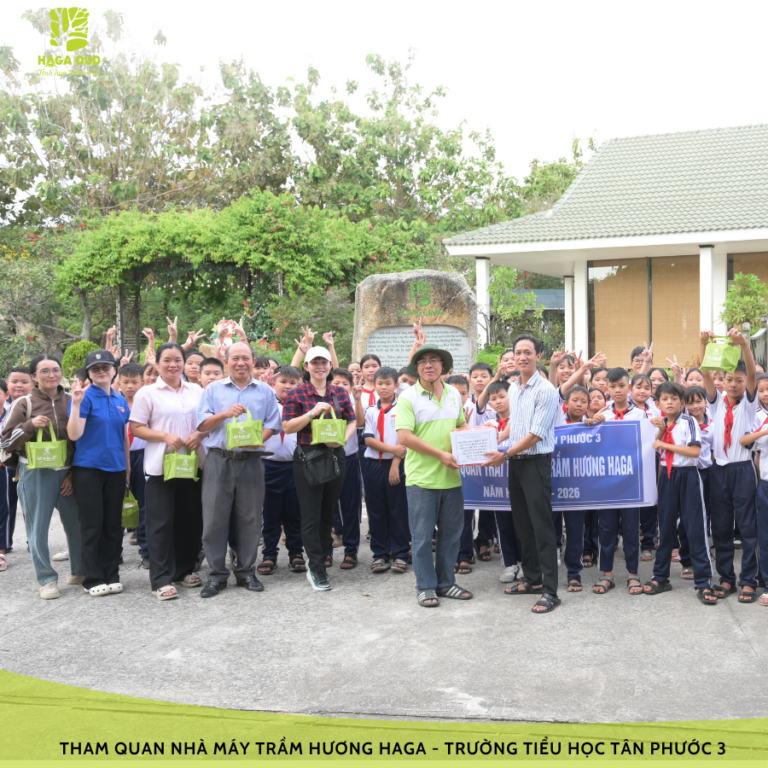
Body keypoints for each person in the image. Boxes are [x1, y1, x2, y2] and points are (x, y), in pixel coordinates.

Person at [196, 342, 281, 597]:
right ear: (226, 361)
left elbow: (273, 423)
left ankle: (246, 571)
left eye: (246, 358)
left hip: (251, 461)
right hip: (219, 459)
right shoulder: (213, 389)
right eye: (235, 358)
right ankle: (216, 575)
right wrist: (224, 414)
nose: (241, 363)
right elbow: (202, 424)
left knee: (250, 519)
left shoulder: (265, 391)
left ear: (253, 361)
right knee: (214, 520)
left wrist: (258, 440)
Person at [483, 335, 560, 613]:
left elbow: (536, 434)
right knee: (523, 525)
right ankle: (532, 579)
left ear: (538, 355)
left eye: (528, 352)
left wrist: (504, 454)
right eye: (518, 352)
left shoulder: (546, 390)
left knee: (542, 527)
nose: (522, 357)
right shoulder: (514, 388)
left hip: (535, 462)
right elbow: (516, 424)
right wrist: (496, 438)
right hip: (516, 462)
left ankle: (550, 591)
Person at [0, 355, 83, 598]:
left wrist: (73, 473)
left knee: (76, 525)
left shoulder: (72, 400)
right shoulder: (24, 403)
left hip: (67, 474)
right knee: (37, 527)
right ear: (34, 377)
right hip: (35, 472)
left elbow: (82, 440)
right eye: (44, 371)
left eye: (55, 370)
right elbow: (5, 441)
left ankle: (79, 571)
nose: (51, 375)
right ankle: (47, 580)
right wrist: (29, 426)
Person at [129, 343, 207, 601]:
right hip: (160, 467)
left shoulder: (197, 390)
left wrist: (200, 434)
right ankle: (161, 579)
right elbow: (136, 427)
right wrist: (164, 436)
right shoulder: (147, 393)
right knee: (160, 523)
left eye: (178, 360)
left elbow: (208, 422)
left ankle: (184, 570)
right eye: (167, 360)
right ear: (158, 363)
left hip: (193, 465)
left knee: (190, 521)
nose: (173, 365)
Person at [396, 344, 470, 608]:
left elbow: (460, 424)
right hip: (421, 479)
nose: (428, 365)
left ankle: (446, 582)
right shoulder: (408, 397)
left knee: (451, 536)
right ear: (416, 368)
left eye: (434, 360)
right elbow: (405, 437)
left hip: (452, 478)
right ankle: (425, 586)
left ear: (443, 366)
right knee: (422, 537)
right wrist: (440, 455)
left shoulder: (453, 393)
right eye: (422, 361)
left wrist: (471, 436)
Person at [283, 346, 357, 591]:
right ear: (306, 367)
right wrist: (312, 413)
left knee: (328, 514)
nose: (320, 366)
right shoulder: (298, 393)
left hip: (335, 457)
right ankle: (316, 568)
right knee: (311, 516)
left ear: (330, 365)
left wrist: (342, 440)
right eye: (314, 362)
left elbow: (352, 421)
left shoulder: (340, 392)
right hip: (308, 459)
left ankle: (321, 558)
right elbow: (288, 426)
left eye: (323, 362)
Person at [644, 381, 717, 604]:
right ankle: (660, 578)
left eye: (674, 399)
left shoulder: (689, 421)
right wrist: (658, 485)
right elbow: (656, 449)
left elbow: (694, 452)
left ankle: (704, 582)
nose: (669, 402)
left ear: (682, 402)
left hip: (688, 475)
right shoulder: (660, 423)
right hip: (667, 476)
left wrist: (664, 445)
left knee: (695, 528)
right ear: (658, 403)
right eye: (664, 399)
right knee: (665, 528)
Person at [701, 329, 760, 602]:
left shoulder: (749, 405)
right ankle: (726, 578)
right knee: (721, 527)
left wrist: (744, 345)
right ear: (722, 381)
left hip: (742, 470)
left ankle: (748, 580)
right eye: (729, 379)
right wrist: (703, 344)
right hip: (720, 470)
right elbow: (705, 374)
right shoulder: (716, 405)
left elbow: (752, 372)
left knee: (747, 527)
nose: (734, 384)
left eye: (739, 380)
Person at [67, 350, 130, 597]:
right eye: (95, 369)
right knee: (92, 525)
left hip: (117, 469)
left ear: (114, 370)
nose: (101, 371)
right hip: (89, 469)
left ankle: (111, 574)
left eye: (106, 367)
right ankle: (92, 578)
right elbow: (74, 434)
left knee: (114, 525)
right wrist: (75, 403)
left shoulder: (120, 399)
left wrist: (127, 469)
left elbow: (124, 438)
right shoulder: (84, 397)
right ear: (89, 373)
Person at [591, 367, 647, 596]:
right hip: (607, 483)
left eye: (622, 386)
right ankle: (607, 574)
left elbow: (647, 446)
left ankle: (633, 573)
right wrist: (592, 423)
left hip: (631, 482)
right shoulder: (603, 415)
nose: (617, 390)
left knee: (631, 529)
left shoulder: (640, 415)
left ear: (629, 388)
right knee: (606, 529)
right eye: (612, 386)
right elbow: (591, 445)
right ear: (606, 388)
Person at [257, 365, 306, 576]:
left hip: (296, 466)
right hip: (269, 465)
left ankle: (296, 553)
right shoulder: (266, 403)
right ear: (273, 384)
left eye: (292, 383)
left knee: (295, 513)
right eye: (283, 382)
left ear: (299, 385)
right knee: (270, 514)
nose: (287, 386)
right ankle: (269, 554)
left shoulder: (303, 405)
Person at [362, 366, 410, 574]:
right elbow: (368, 439)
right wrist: (393, 449)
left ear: (396, 385)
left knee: (398, 510)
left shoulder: (403, 409)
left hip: (396, 465)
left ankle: (401, 553)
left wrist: (395, 463)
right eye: (380, 383)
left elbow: (404, 440)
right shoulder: (370, 411)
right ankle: (380, 553)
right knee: (376, 510)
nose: (384, 387)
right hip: (374, 465)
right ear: (374, 385)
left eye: (388, 383)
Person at [483, 380, 525, 584]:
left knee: (522, 524)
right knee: (503, 525)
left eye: (502, 396)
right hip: (497, 485)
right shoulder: (487, 425)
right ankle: (510, 564)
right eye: (493, 399)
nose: (498, 401)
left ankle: (525, 562)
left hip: (519, 480)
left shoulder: (520, 420)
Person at [327, 368, 364, 571]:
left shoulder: (352, 400)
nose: (339, 386)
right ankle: (326, 550)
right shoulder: (321, 401)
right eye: (335, 383)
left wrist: (356, 399)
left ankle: (351, 551)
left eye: (344, 383)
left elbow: (359, 423)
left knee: (350, 507)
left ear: (350, 387)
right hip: (323, 459)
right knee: (326, 507)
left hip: (348, 459)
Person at [118, 363, 149, 567]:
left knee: (144, 503)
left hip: (143, 455)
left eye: (135, 382)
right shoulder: (115, 402)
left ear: (142, 383)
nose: (130, 386)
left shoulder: (146, 402)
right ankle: (115, 551)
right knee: (117, 503)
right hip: (119, 456)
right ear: (119, 383)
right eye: (126, 382)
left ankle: (146, 550)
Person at [1, 366, 33, 557]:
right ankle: (5, 542)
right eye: (14, 382)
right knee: (7, 503)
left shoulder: (35, 405)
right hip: (6, 463)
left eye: (24, 382)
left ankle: (33, 540)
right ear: (7, 385)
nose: (19, 385)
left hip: (29, 460)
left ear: (32, 383)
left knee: (31, 503)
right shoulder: (4, 407)